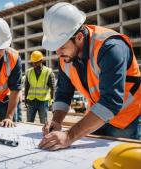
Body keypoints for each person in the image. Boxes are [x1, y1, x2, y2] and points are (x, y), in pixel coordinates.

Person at [39, 2, 141, 151]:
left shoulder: (111, 47)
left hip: (125, 117)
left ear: (79, 37)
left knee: (119, 159)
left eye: (62, 46)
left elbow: (111, 101)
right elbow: (64, 93)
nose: (58, 54)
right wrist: (56, 119)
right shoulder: (66, 57)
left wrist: (69, 136)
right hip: (95, 113)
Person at [24, 51, 56, 124]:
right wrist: (25, 99)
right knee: (29, 122)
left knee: (43, 123)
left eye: (36, 62)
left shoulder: (48, 72)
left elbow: (53, 87)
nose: (34, 64)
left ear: (41, 61)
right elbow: (26, 86)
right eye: (33, 62)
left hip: (43, 102)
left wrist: (52, 100)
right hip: (31, 101)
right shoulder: (29, 72)